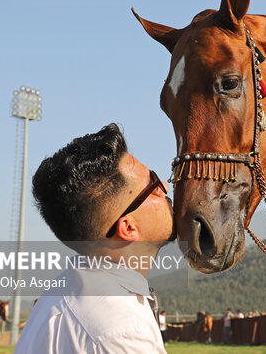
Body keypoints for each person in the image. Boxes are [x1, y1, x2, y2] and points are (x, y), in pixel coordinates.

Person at [14, 124, 175, 354]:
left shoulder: (61, 293)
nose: (166, 188)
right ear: (128, 227)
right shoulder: (122, 333)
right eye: (153, 184)